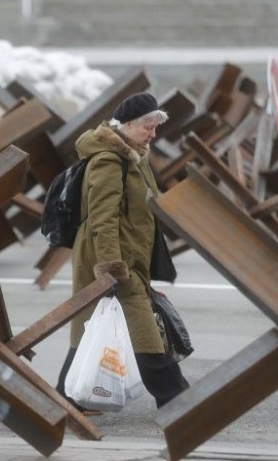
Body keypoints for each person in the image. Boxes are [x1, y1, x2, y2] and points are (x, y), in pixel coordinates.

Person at [56, 92, 189, 413]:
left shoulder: (134, 155)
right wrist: (110, 266)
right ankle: (175, 396)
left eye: (156, 126)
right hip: (112, 257)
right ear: (127, 125)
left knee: (93, 323)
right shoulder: (108, 160)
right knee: (142, 325)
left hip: (131, 254)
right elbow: (103, 217)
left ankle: (65, 396)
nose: (153, 134)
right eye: (147, 126)